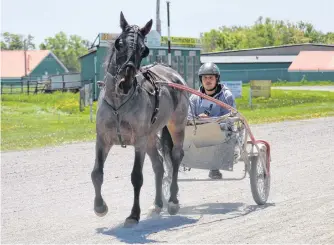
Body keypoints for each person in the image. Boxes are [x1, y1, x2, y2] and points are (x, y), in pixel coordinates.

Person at [187, 62, 237, 179]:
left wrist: (209, 120)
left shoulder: (226, 96)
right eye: (205, 78)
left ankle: (214, 167)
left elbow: (230, 120)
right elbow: (189, 118)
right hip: (198, 133)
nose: (208, 80)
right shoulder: (194, 97)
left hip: (220, 134)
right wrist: (200, 121)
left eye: (211, 77)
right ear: (201, 79)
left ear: (216, 79)